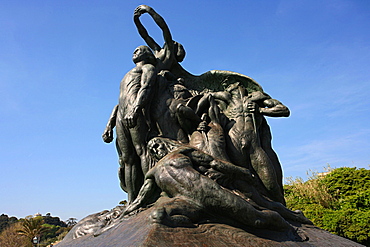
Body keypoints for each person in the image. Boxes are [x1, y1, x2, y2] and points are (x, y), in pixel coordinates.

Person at [124, 137, 310, 231]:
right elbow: (140, 200)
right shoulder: (152, 172)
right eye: (151, 149)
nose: (155, 148)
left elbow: (213, 163)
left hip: (212, 194)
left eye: (157, 144)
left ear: (166, 144)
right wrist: (124, 215)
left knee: (257, 219)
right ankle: (200, 222)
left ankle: (289, 227)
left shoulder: (182, 152)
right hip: (187, 203)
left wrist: (242, 173)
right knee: (158, 215)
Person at [195, 82, 289, 204]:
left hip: (253, 146)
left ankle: (285, 212)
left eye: (238, 84)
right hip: (233, 146)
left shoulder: (257, 97)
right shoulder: (225, 99)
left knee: (271, 185)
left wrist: (260, 110)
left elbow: (284, 110)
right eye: (230, 84)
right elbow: (202, 101)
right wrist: (198, 121)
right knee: (242, 185)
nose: (235, 85)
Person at [102, 45, 157, 203]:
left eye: (140, 49)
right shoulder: (126, 75)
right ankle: (132, 200)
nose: (135, 51)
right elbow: (119, 101)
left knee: (142, 151)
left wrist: (136, 108)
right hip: (121, 115)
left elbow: (147, 87)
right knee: (127, 158)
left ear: (147, 54)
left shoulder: (148, 68)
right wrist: (109, 124)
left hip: (135, 111)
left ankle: (149, 196)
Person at [133, 5, 191, 78]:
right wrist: (137, 21)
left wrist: (150, 10)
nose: (166, 42)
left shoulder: (168, 55)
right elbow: (145, 36)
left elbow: (164, 28)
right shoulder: (158, 52)